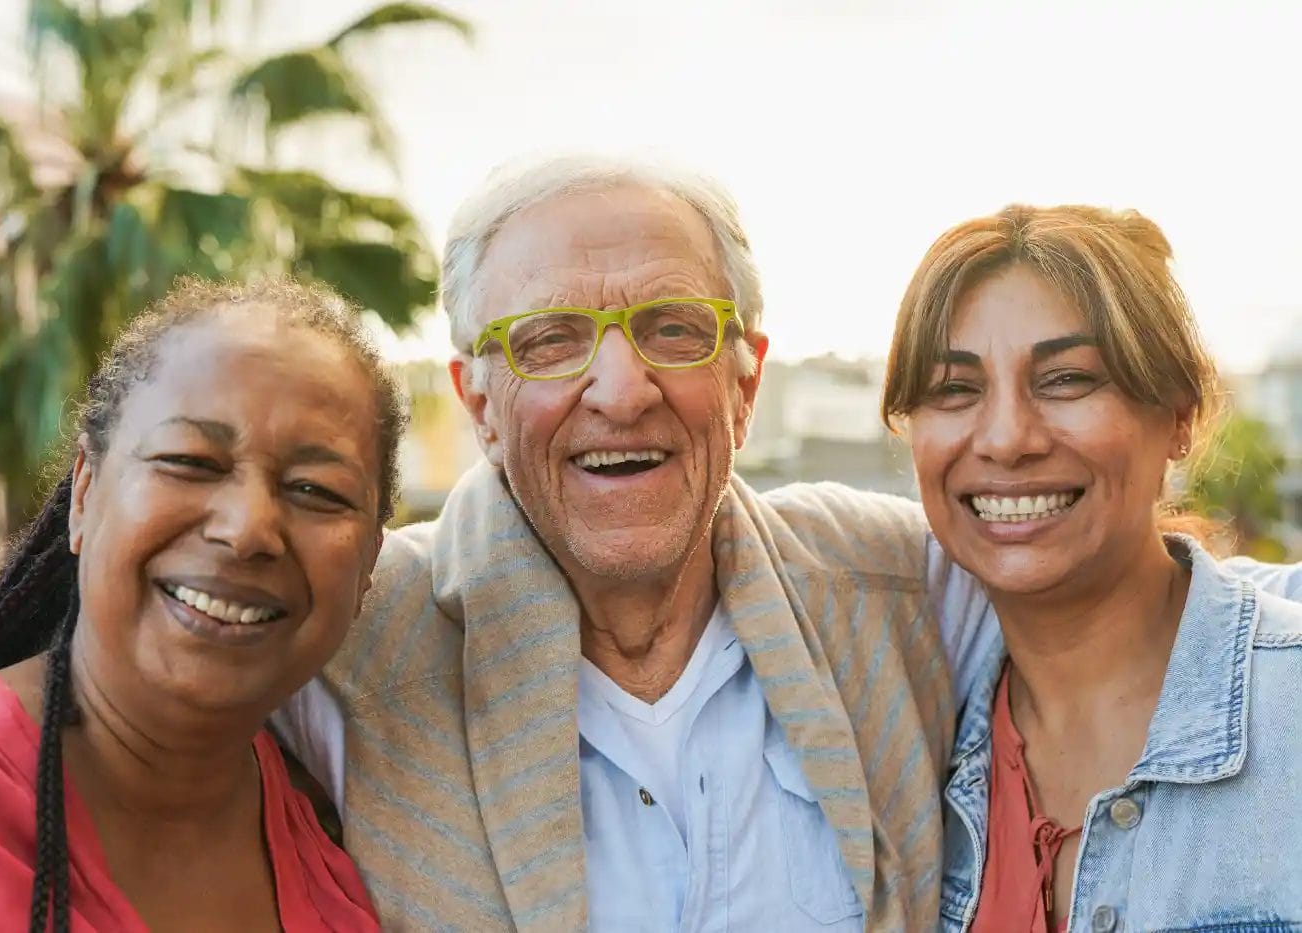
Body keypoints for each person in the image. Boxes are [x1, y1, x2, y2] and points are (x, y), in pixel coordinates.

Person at [274, 159, 1302, 933]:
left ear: (745, 381)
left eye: (674, 330)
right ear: (477, 403)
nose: (621, 389)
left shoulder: (885, 584)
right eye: (549, 341)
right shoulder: (346, 639)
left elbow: (1142, 598)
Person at [0, 278, 403, 931]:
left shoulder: (343, 859)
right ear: (84, 493)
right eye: (190, 460)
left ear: (369, 561)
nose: (248, 527)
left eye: (317, 489)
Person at [882, 205, 1302, 931]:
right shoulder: (903, 765)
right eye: (954, 389)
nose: (1008, 438)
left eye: (1067, 379)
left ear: (1179, 414)